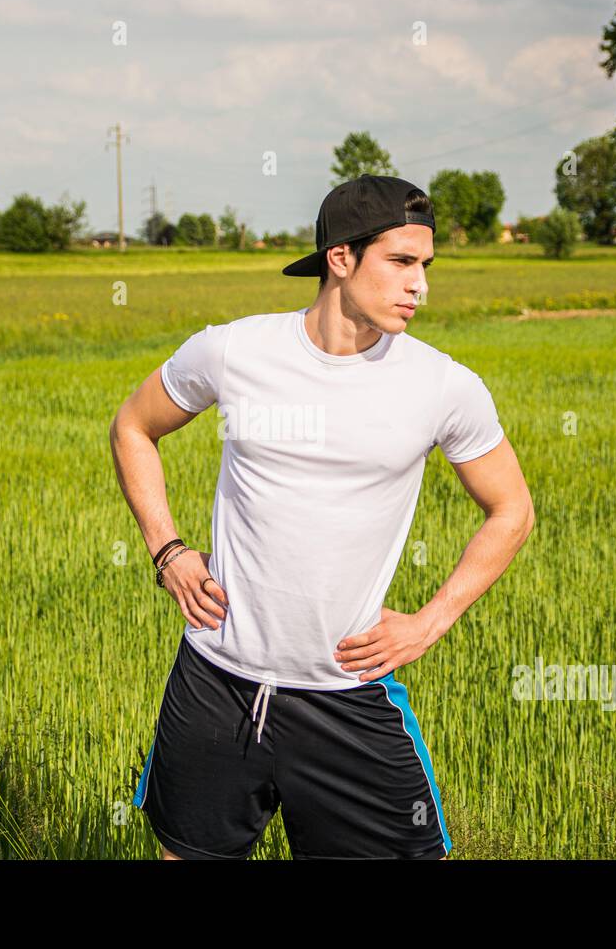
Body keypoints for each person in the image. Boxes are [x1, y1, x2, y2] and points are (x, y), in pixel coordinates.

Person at [109, 174, 534, 859]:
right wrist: (168, 551)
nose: (419, 286)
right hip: (215, 684)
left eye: (425, 267)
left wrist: (432, 620)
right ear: (341, 258)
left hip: (347, 695)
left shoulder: (443, 385)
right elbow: (133, 426)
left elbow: (511, 508)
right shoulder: (234, 351)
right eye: (401, 262)